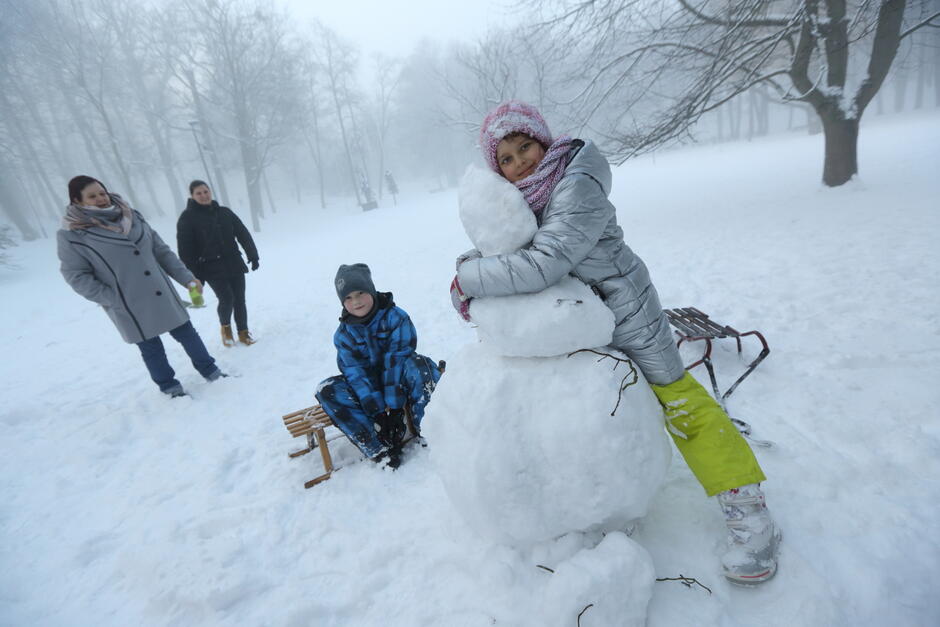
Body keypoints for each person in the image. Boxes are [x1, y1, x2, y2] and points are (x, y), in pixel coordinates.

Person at [449, 101, 781, 585]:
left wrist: (466, 278)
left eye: (526, 147)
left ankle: (748, 511)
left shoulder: (574, 184)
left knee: (678, 401)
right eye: (506, 158)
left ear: (545, 141)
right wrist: (474, 267)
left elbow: (547, 260)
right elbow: (506, 248)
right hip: (583, 321)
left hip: (626, 313)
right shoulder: (527, 199)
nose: (520, 161)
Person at [57, 175, 225, 398]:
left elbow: (161, 251)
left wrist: (187, 279)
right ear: (78, 201)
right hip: (128, 302)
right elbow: (75, 275)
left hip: (160, 292)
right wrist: (112, 297)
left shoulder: (132, 216)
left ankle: (210, 370)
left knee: (187, 333)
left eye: (102, 193)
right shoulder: (73, 235)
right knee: (151, 348)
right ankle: (170, 387)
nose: (100, 198)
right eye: (92, 196)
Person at [316, 263, 442, 469]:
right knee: (327, 389)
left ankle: (430, 429)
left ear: (371, 291)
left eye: (360, 293)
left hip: (398, 377)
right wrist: (379, 415)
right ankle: (378, 446)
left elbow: (397, 359)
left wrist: (394, 409)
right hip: (367, 388)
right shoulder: (343, 335)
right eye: (348, 297)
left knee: (421, 365)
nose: (355, 301)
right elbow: (355, 373)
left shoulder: (396, 318)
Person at [176, 180, 259, 347]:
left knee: (240, 300)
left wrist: (253, 254)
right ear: (192, 196)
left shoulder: (224, 212)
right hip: (210, 268)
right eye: (199, 193)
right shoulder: (187, 218)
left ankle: (243, 333)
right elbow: (186, 250)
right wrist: (193, 276)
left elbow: (242, 233)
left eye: (206, 191)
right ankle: (226, 331)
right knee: (227, 298)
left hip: (234, 262)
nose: (204, 195)